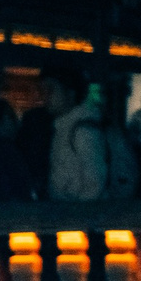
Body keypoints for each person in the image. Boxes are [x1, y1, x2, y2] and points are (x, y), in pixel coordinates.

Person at [43, 68, 113, 201]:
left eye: (51, 90)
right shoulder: (63, 127)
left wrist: (76, 215)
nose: (45, 96)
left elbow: (95, 184)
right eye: (43, 90)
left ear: (70, 93)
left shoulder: (83, 130)